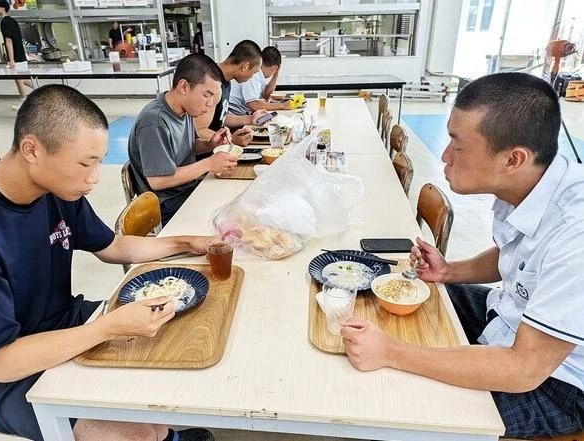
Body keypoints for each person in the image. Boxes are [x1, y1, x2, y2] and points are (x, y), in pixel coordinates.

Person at [341, 72, 584, 439]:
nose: (444, 155)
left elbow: (523, 368)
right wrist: (449, 272)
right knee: (392, 293)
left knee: (401, 402)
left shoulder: (575, 235)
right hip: (509, 317)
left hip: (556, 383)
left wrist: (392, 352)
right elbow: (514, 255)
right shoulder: (533, 184)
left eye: (458, 144)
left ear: (513, 159)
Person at [0, 84, 216, 441]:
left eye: (98, 161)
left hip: (65, 323)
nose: (95, 178)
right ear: (32, 149)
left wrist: (190, 243)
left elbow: (111, 246)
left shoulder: (58, 189)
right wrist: (107, 328)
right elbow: (1, 363)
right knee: (126, 431)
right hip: (5, 372)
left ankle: (164, 434)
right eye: (85, 163)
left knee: (179, 331)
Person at [128, 53, 238, 226]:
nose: (210, 104)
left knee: (237, 198)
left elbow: (188, 147)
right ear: (184, 87)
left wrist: (210, 144)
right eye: (206, 95)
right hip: (167, 204)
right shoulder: (154, 121)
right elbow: (158, 181)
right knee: (232, 216)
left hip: (186, 190)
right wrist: (208, 164)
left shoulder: (184, 110)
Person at [195, 40, 268, 147]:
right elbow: (199, 130)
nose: (252, 77)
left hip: (219, 147)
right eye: (254, 72)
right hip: (206, 153)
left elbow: (220, 117)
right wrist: (230, 140)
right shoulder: (211, 81)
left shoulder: (226, 80)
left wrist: (251, 118)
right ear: (245, 66)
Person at [228, 46, 291, 115]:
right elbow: (253, 105)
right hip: (232, 112)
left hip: (239, 112)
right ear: (274, 68)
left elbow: (266, 95)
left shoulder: (259, 74)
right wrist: (282, 105)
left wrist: (276, 74)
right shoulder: (254, 75)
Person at [0, 0, 32, 110]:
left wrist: (11, 60)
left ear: (2, 8)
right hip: (20, 56)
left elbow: (8, 41)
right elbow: (19, 39)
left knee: (19, 80)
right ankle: (41, 89)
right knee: (21, 79)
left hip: (16, 57)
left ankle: (24, 103)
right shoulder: (13, 21)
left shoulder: (5, 22)